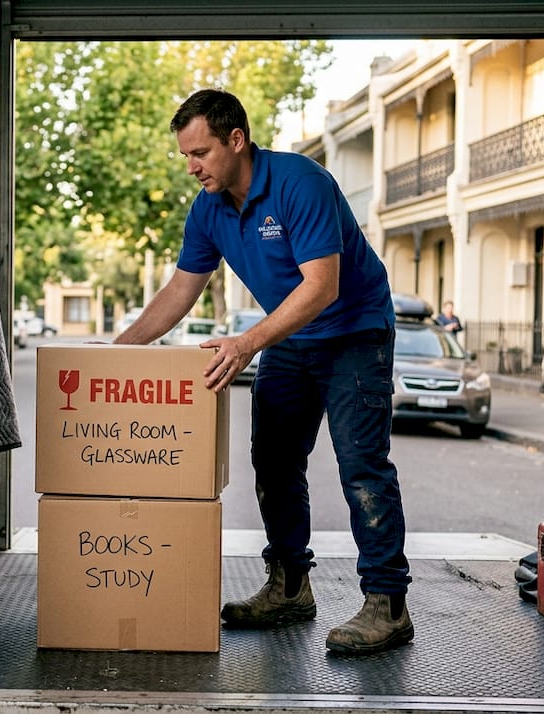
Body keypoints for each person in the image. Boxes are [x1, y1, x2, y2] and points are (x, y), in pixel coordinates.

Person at [114, 89, 412, 654]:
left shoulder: (301, 182)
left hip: (353, 331)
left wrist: (249, 341)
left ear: (236, 140)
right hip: (291, 336)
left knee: (362, 468)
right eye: (184, 156)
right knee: (273, 462)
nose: (192, 166)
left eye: (200, 152)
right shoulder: (209, 208)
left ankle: (388, 605)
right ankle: (290, 586)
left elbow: (322, 286)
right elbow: (182, 289)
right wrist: (116, 350)